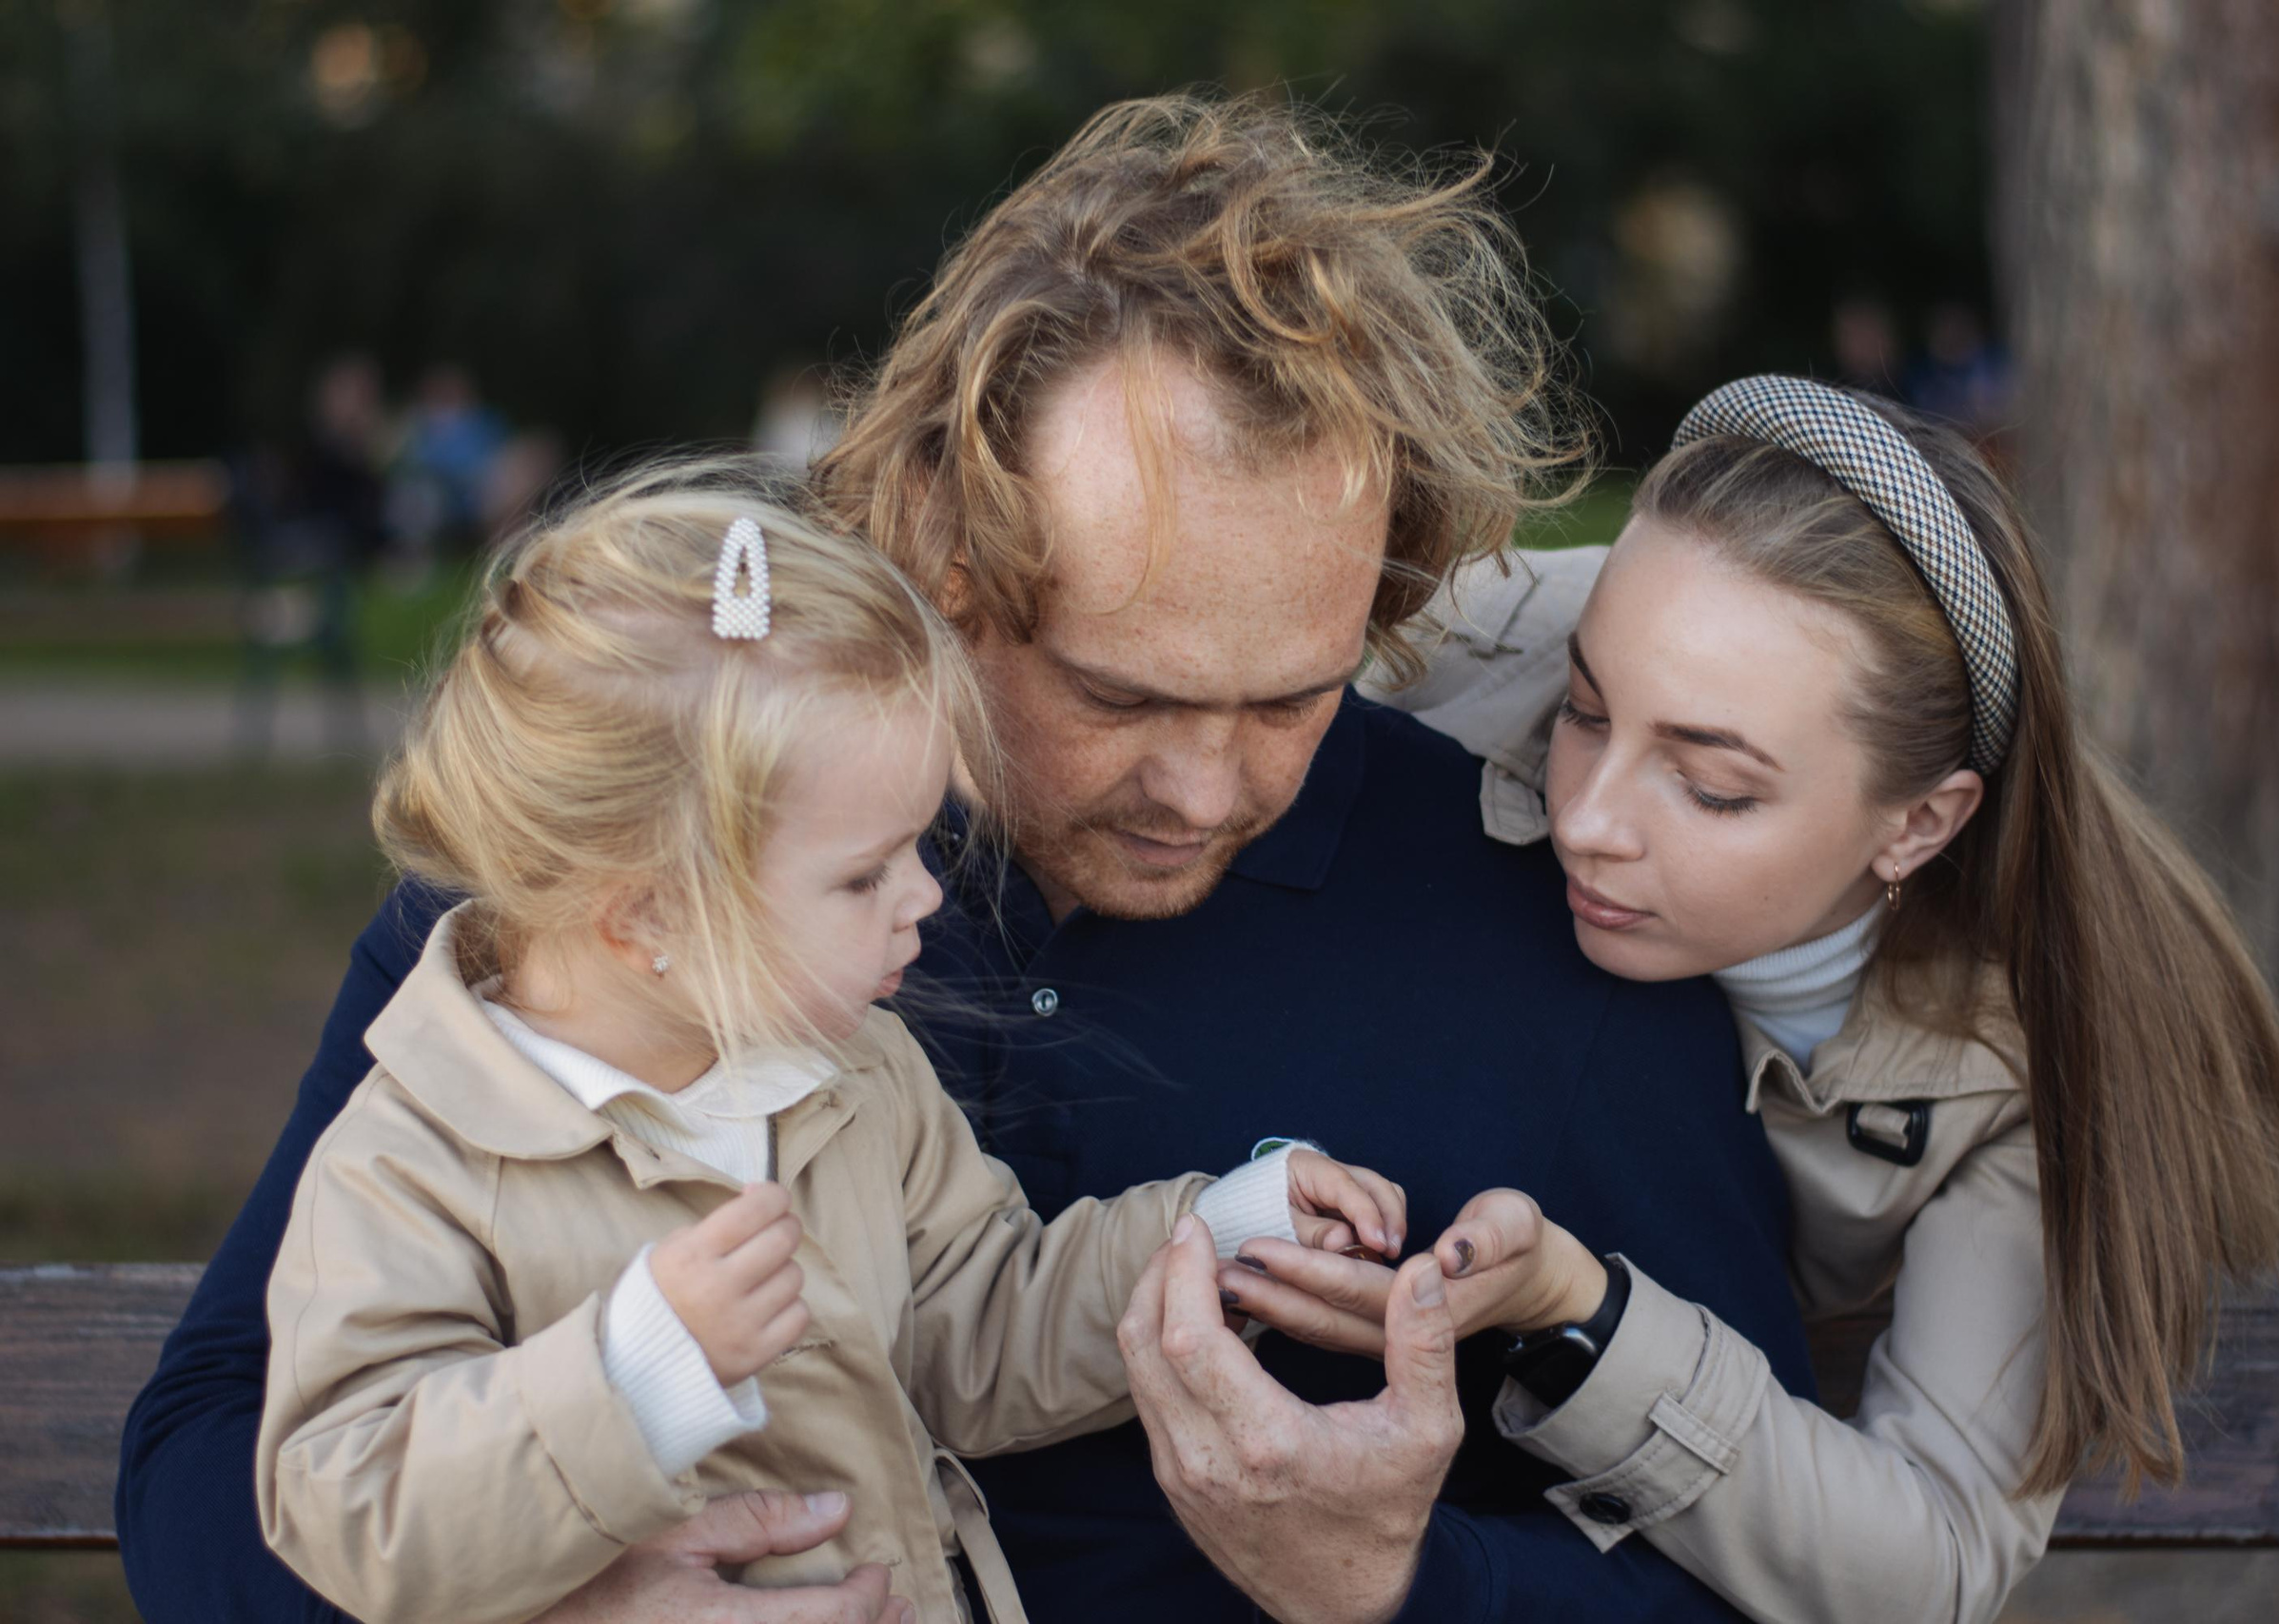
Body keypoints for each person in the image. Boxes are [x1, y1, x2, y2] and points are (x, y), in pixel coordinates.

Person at [118, 96, 1817, 1624]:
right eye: (1116, 692)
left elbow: (1776, 1576)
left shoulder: (1563, 941)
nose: (1207, 786)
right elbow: (212, 1452)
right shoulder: (611, 869)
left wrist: (1408, 1583)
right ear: (939, 540)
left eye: (1291, 696)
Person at [1230, 375, 2279, 1624]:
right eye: (1584, 711)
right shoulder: (1471, 642)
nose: (1588, 817)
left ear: (1918, 823)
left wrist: (1581, 1310)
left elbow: (1938, 1550)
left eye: (1714, 788)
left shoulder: (2011, 1068)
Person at [252, 463, 1405, 1624]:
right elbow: (354, 1503)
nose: (925, 899)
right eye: (863, 874)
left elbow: (975, 1320)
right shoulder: (421, 1163)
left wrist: (1215, 1239)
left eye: (916, 846)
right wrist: (634, 1372)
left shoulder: (852, 1075)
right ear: (648, 914)